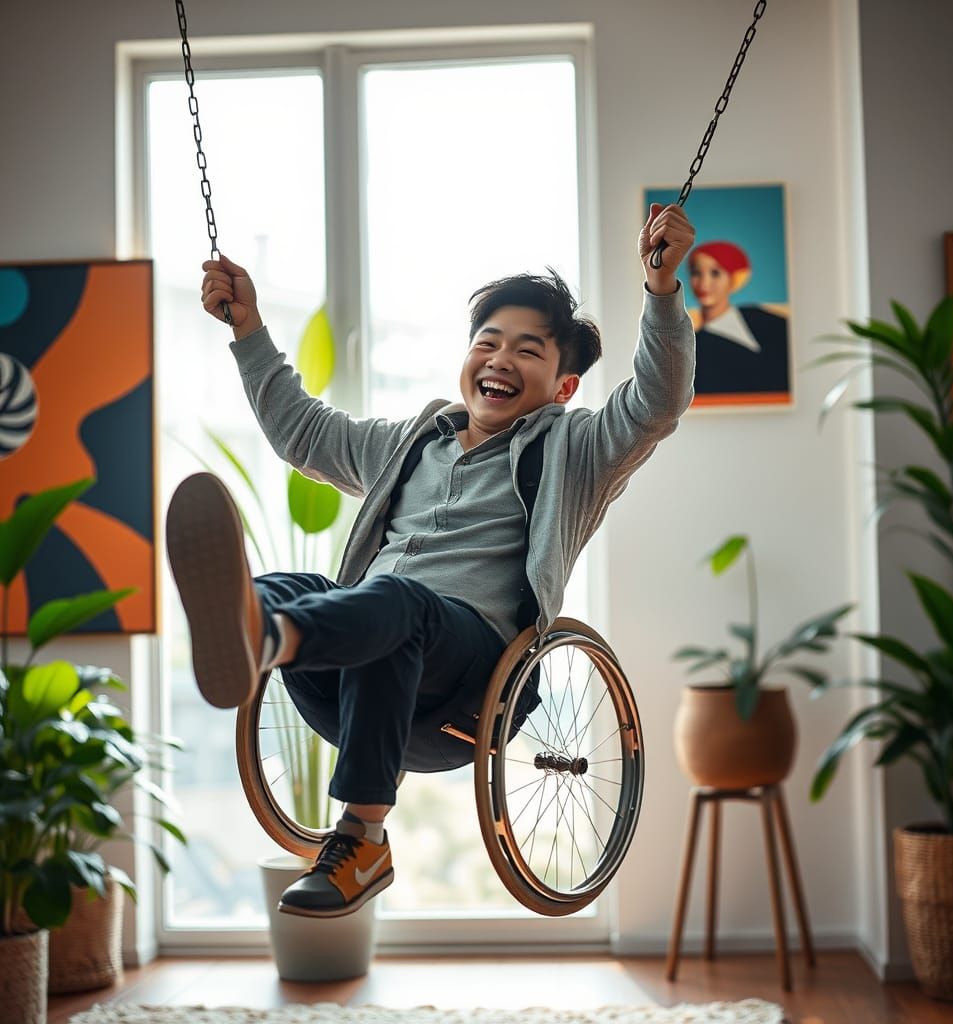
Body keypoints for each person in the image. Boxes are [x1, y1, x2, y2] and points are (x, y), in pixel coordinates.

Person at [165, 203, 696, 919]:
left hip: (462, 690)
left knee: (398, 603)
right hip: (356, 676)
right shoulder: (413, 442)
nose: (501, 359)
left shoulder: (577, 452)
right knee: (284, 586)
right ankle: (261, 627)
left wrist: (662, 292)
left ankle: (352, 818)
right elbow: (301, 431)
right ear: (468, 356)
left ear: (564, 387)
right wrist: (248, 328)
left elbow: (658, 403)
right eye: (488, 341)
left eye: (529, 351)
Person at [687, 240, 789, 398]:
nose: (704, 283)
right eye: (696, 273)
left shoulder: (763, 319)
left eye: (715, 273)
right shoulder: (693, 346)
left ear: (733, 278)